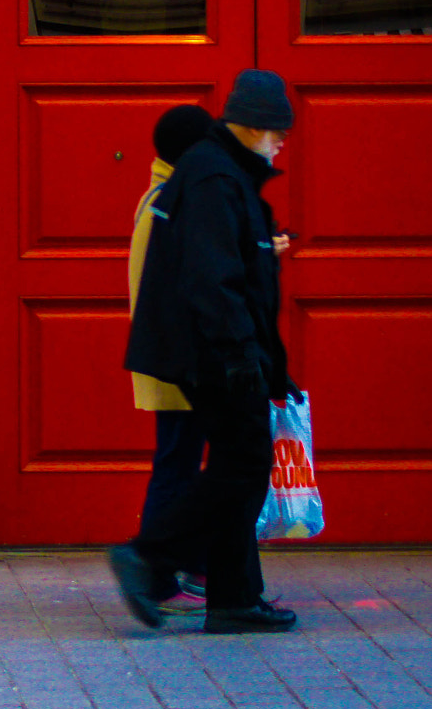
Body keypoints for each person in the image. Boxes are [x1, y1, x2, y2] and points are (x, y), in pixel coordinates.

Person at [110, 70, 300, 634]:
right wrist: (241, 356)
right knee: (240, 467)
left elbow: (240, 265)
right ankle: (149, 555)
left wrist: (271, 364)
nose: (282, 141)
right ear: (252, 125)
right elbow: (214, 277)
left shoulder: (220, 172)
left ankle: (234, 597)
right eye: (276, 130)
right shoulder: (216, 177)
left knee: (238, 466)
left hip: (217, 351)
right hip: (214, 355)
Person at [128, 104, 217, 615]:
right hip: (180, 361)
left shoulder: (159, 196)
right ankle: (157, 572)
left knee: (180, 464)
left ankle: (180, 566)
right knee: (179, 468)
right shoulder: (173, 202)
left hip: (168, 358)